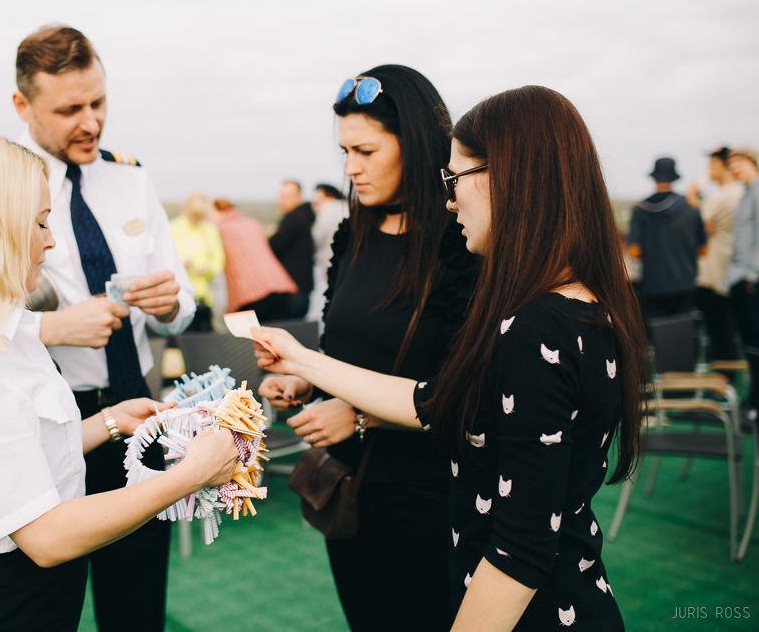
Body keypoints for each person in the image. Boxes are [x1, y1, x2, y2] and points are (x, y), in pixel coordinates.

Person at [254, 86, 648, 631]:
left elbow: (518, 552)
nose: (450, 201)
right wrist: (301, 361)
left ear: (508, 178)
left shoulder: (535, 328)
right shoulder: (578, 307)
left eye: (455, 179)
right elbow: (432, 400)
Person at [0, 132, 238, 630]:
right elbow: (47, 538)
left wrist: (109, 421)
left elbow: (18, 448)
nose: (51, 240)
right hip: (0, 608)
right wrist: (192, 474)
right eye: (39, 222)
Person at [258, 65, 477, 631]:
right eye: (345, 152)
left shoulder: (463, 243)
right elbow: (339, 346)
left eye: (366, 151)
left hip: (427, 494)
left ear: (417, 145)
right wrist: (302, 378)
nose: (351, 168)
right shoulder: (351, 234)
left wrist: (358, 416)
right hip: (347, 486)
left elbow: (467, 389)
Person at [11, 24, 196, 629]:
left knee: (137, 598)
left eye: (98, 102)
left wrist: (169, 305)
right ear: (23, 106)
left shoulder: (130, 177)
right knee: (43, 600)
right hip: (43, 421)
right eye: (69, 110)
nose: (91, 122)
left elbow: (183, 304)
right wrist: (53, 327)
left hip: (135, 408)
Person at [626, 157, 707, 318]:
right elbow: (703, 250)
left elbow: (634, 252)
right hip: (685, 283)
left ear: (654, 178)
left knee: (658, 331)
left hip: (653, 285)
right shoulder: (690, 207)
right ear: (674, 178)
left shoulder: (641, 208)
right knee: (683, 330)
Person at [690, 147, 742, 363]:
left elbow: (697, 220)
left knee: (720, 332)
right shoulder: (738, 193)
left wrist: (694, 190)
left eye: (713, 166)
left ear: (726, 167)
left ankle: (724, 376)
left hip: (714, 274)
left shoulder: (723, 195)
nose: (709, 170)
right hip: (727, 269)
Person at [212, 198, 298, 321]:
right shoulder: (253, 223)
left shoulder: (218, 228)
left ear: (217, 211)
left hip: (249, 292)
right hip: (279, 284)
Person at [725, 146, 759, 419]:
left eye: (740, 162)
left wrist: (751, 275)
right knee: (750, 344)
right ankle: (754, 399)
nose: (735, 167)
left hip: (751, 279)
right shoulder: (747, 192)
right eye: (732, 163)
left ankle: (755, 402)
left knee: (754, 343)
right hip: (742, 277)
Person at [170, 192, 225, 332]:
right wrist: (182, 263)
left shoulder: (211, 229)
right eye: (193, 215)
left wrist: (207, 269)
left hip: (204, 297)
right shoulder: (173, 227)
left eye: (200, 216)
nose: (196, 219)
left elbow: (219, 260)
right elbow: (166, 257)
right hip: (179, 296)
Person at [269, 180, 315, 318]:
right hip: (302, 288)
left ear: (299, 197)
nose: (281, 201)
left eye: (287, 197)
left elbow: (273, 247)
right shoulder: (305, 216)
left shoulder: (294, 219)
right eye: (280, 196)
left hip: (293, 289)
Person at [307, 183, 348, 323]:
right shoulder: (347, 206)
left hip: (330, 263)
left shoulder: (328, 209)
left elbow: (316, 237)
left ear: (327, 194)